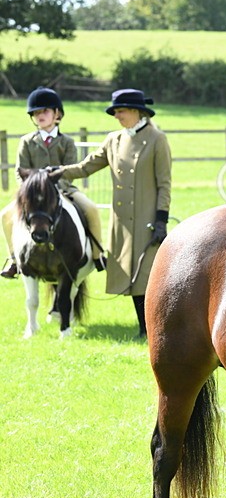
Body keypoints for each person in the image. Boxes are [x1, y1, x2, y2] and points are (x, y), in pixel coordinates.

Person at [50, 89, 171, 336]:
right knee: (129, 275)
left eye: (121, 111)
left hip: (146, 219)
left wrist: (161, 219)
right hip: (121, 222)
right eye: (115, 111)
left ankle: (149, 328)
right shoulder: (113, 140)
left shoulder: (157, 139)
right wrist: (60, 171)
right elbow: (86, 167)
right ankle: (144, 329)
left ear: (137, 111)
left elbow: (164, 184)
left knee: (146, 277)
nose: (116, 116)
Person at [2, 88, 107, 278]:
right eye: (35, 112)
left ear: (57, 114)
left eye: (44, 111)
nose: (39, 115)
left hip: (64, 190)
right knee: (4, 216)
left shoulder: (67, 142)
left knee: (91, 208)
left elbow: (70, 170)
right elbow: (20, 172)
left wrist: (54, 191)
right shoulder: (26, 142)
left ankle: (98, 255)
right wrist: (29, 191)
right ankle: (14, 259)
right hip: (33, 196)